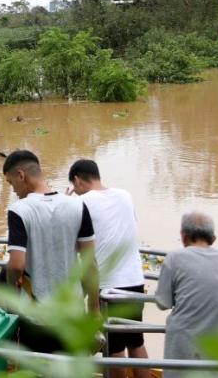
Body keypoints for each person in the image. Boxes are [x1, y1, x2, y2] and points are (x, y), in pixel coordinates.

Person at [1, 150, 100, 353]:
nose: (13, 191)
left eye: (11, 184)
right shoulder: (78, 205)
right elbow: (90, 264)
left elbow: (17, 265)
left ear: (21, 175)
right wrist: (94, 311)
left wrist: (11, 300)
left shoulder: (19, 210)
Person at [68, 159, 150, 378]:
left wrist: (67, 201)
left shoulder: (81, 203)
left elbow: (73, 240)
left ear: (76, 180)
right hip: (134, 280)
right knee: (136, 343)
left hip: (108, 287)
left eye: (74, 188)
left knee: (113, 351)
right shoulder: (125, 195)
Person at [155, 212, 218, 376]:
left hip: (183, 349)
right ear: (213, 238)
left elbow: (163, 303)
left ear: (184, 237)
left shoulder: (174, 258)